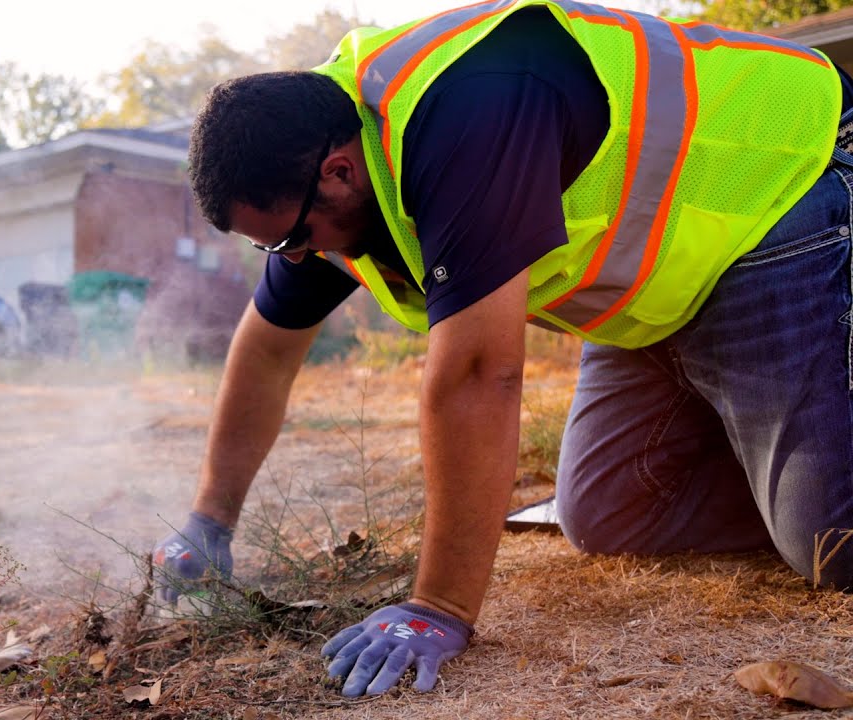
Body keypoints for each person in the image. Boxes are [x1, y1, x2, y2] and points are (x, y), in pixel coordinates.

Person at [152, 0, 853, 700]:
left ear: (337, 171)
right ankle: (795, 447)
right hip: (665, 297)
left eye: (289, 239)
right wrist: (208, 521)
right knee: (614, 514)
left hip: (788, 191)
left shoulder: (462, 117)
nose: (294, 258)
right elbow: (267, 351)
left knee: (831, 542)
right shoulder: (320, 173)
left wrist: (438, 608)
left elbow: (481, 374)